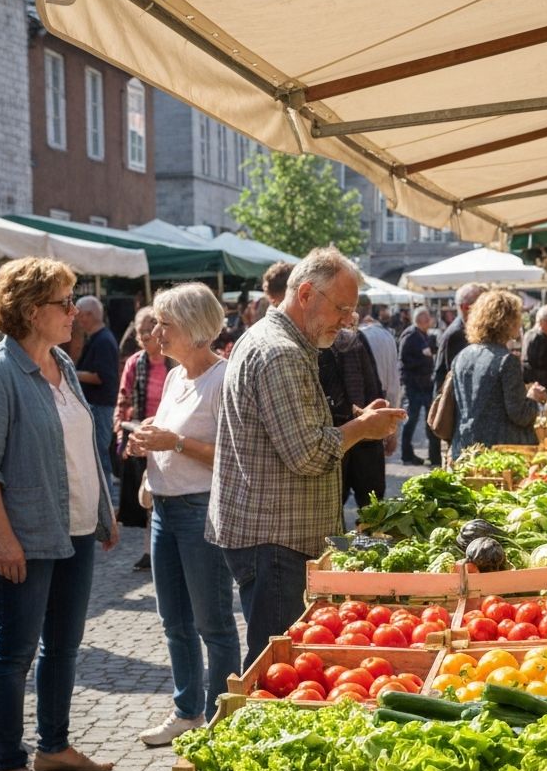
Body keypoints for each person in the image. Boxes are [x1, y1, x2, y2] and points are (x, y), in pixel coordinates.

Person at [0, 257, 118, 771]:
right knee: (15, 653)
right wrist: (3, 538)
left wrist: (104, 511)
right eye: (65, 302)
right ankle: (10, 767)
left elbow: (82, 445)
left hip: (73, 530)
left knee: (64, 646)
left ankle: (54, 747)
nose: (74, 312)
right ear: (31, 310)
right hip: (24, 537)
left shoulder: (62, 365)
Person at [208, 247, 406, 669]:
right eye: (342, 308)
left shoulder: (286, 344)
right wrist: (363, 430)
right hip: (276, 541)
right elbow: (309, 453)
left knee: (279, 658)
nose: (348, 320)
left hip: (279, 537)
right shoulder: (280, 351)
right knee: (276, 665)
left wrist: (358, 418)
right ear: (305, 294)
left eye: (352, 310)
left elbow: (295, 427)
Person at [127, 283, 241, 744]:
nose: (156, 331)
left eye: (164, 323)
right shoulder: (175, 377)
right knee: (173, 620)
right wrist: (147, 452)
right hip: (164, 508)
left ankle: (222, 717)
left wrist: (172, 442)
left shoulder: (224, 377)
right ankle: (187, 712)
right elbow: (167, 434)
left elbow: (232, 456)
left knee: (212, 622)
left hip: (200, 510)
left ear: (194, 330)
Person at [450, 290, 547, 458]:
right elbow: (520, 415)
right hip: (500, 451)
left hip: (465, 447)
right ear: (508, 322)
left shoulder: (462, 356)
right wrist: (533, 398)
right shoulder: (506, 360)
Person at [114, 306, 171, 571]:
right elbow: (123, 399)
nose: (146, 336)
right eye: (141, 332)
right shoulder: (135, 363)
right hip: (142, 436)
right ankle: (151, 550)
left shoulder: (175, 361)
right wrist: (121, 436)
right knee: (147, 496)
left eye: (150, 330)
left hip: (171, 435)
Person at [319, 325, 389, 510]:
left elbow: (374, 387)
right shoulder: (313, 345)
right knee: (334, 505)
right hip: (336, 436)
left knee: (371, 505)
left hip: (363, 437)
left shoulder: (354, 340)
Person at [429, 283, 486, 465]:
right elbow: (452, 383)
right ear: (464, 308)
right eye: (481, 306)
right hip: (457, 420)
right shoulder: (457, 334)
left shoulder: (465, 332)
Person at [74, 295, 120, 499]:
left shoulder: (103, 340)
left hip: (101, 407)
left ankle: (107, 503)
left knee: (100, 457)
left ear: (90, 315)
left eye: (80, 315)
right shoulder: (99, 338)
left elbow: (101, 377)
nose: (77, 320)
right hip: (98, 406)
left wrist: (70, 373)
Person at [398, 306, 435, 465]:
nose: (430, 321)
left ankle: (433, 455)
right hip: (413, 385)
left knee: (429, 419)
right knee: (411, 420)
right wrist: (424, 358)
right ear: (421, 320)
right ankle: (406, 454)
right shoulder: (411, 335)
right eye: (427, 318)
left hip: (425, 385)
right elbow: (404, 361)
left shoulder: (423, 334)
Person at [357, 295, 402, 409]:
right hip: (386, 400)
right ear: (370, 308)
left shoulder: (355, 338)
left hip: (366, 403)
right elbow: (394, 376)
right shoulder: (387, 334)